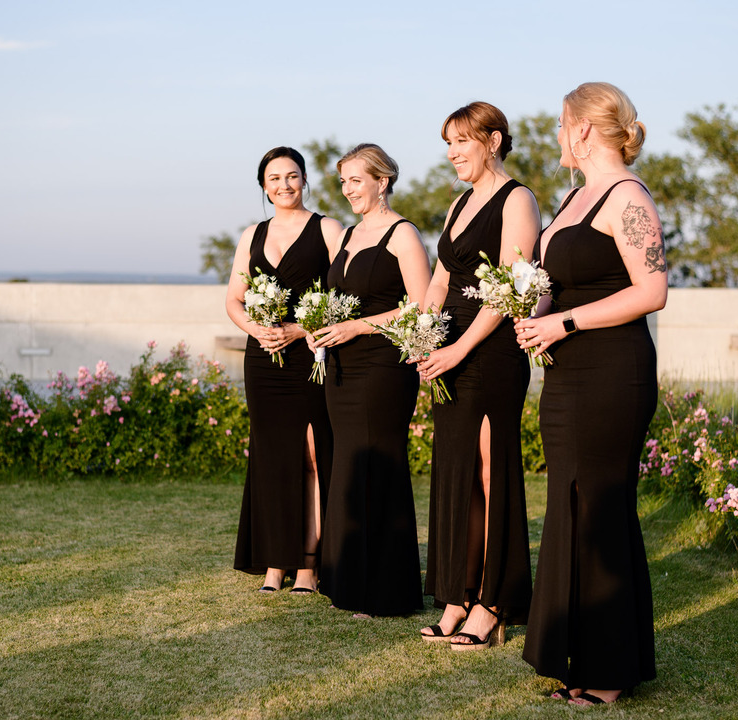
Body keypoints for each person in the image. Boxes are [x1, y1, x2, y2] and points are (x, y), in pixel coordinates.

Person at [515, 82, 667, 705]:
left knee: (601, 509)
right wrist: (532, 311)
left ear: (582, 128)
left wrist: (566, 322)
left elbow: (651, 290)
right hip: (566, 375)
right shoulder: (573, 200)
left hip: (613, 371)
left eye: (559, 124)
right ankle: (574, 656)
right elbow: (561, 283)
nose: (555, 135)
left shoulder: (627, 196)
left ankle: (608, 671)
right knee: (569, 505)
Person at [414, 103, 540, 648]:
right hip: (447, 351)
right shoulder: (457, 204)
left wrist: (459, 349)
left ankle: (492, 605)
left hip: (490, 354)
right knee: (455, 475)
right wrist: (422, 338)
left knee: (490, 476)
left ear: (492, 140)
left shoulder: (520, 200)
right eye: (447, 143)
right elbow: (441, 280)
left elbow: (511, 287)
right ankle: (455, 597)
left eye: (460, 141)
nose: (451, 153)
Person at [308, 143, 431, 617]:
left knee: (378, 468)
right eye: (342, 182)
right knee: (347, 468)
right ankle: (347, 580)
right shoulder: (347, 236)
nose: (347, 190)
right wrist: (318, 327)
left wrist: (359, 326)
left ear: (382, 181)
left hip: (384, 367)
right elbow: (335, 297)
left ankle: (385, 590)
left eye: (355, 180)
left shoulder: (403, 234)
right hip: (339, 367)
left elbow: (422, 307)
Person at [228, 146, 343, 594]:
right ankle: (276, 563)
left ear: (305, 179)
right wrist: (259, 330)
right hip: (263, 360)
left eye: (292, 176)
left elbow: (343, 296)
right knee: (272, 458)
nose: (284, 185)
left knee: (313, 457)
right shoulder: (251, 235)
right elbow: (232, 300)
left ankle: (310, 566)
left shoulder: (328, 229)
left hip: (309, 357)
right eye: (274, 178)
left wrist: (298, 328)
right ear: (263, 186)